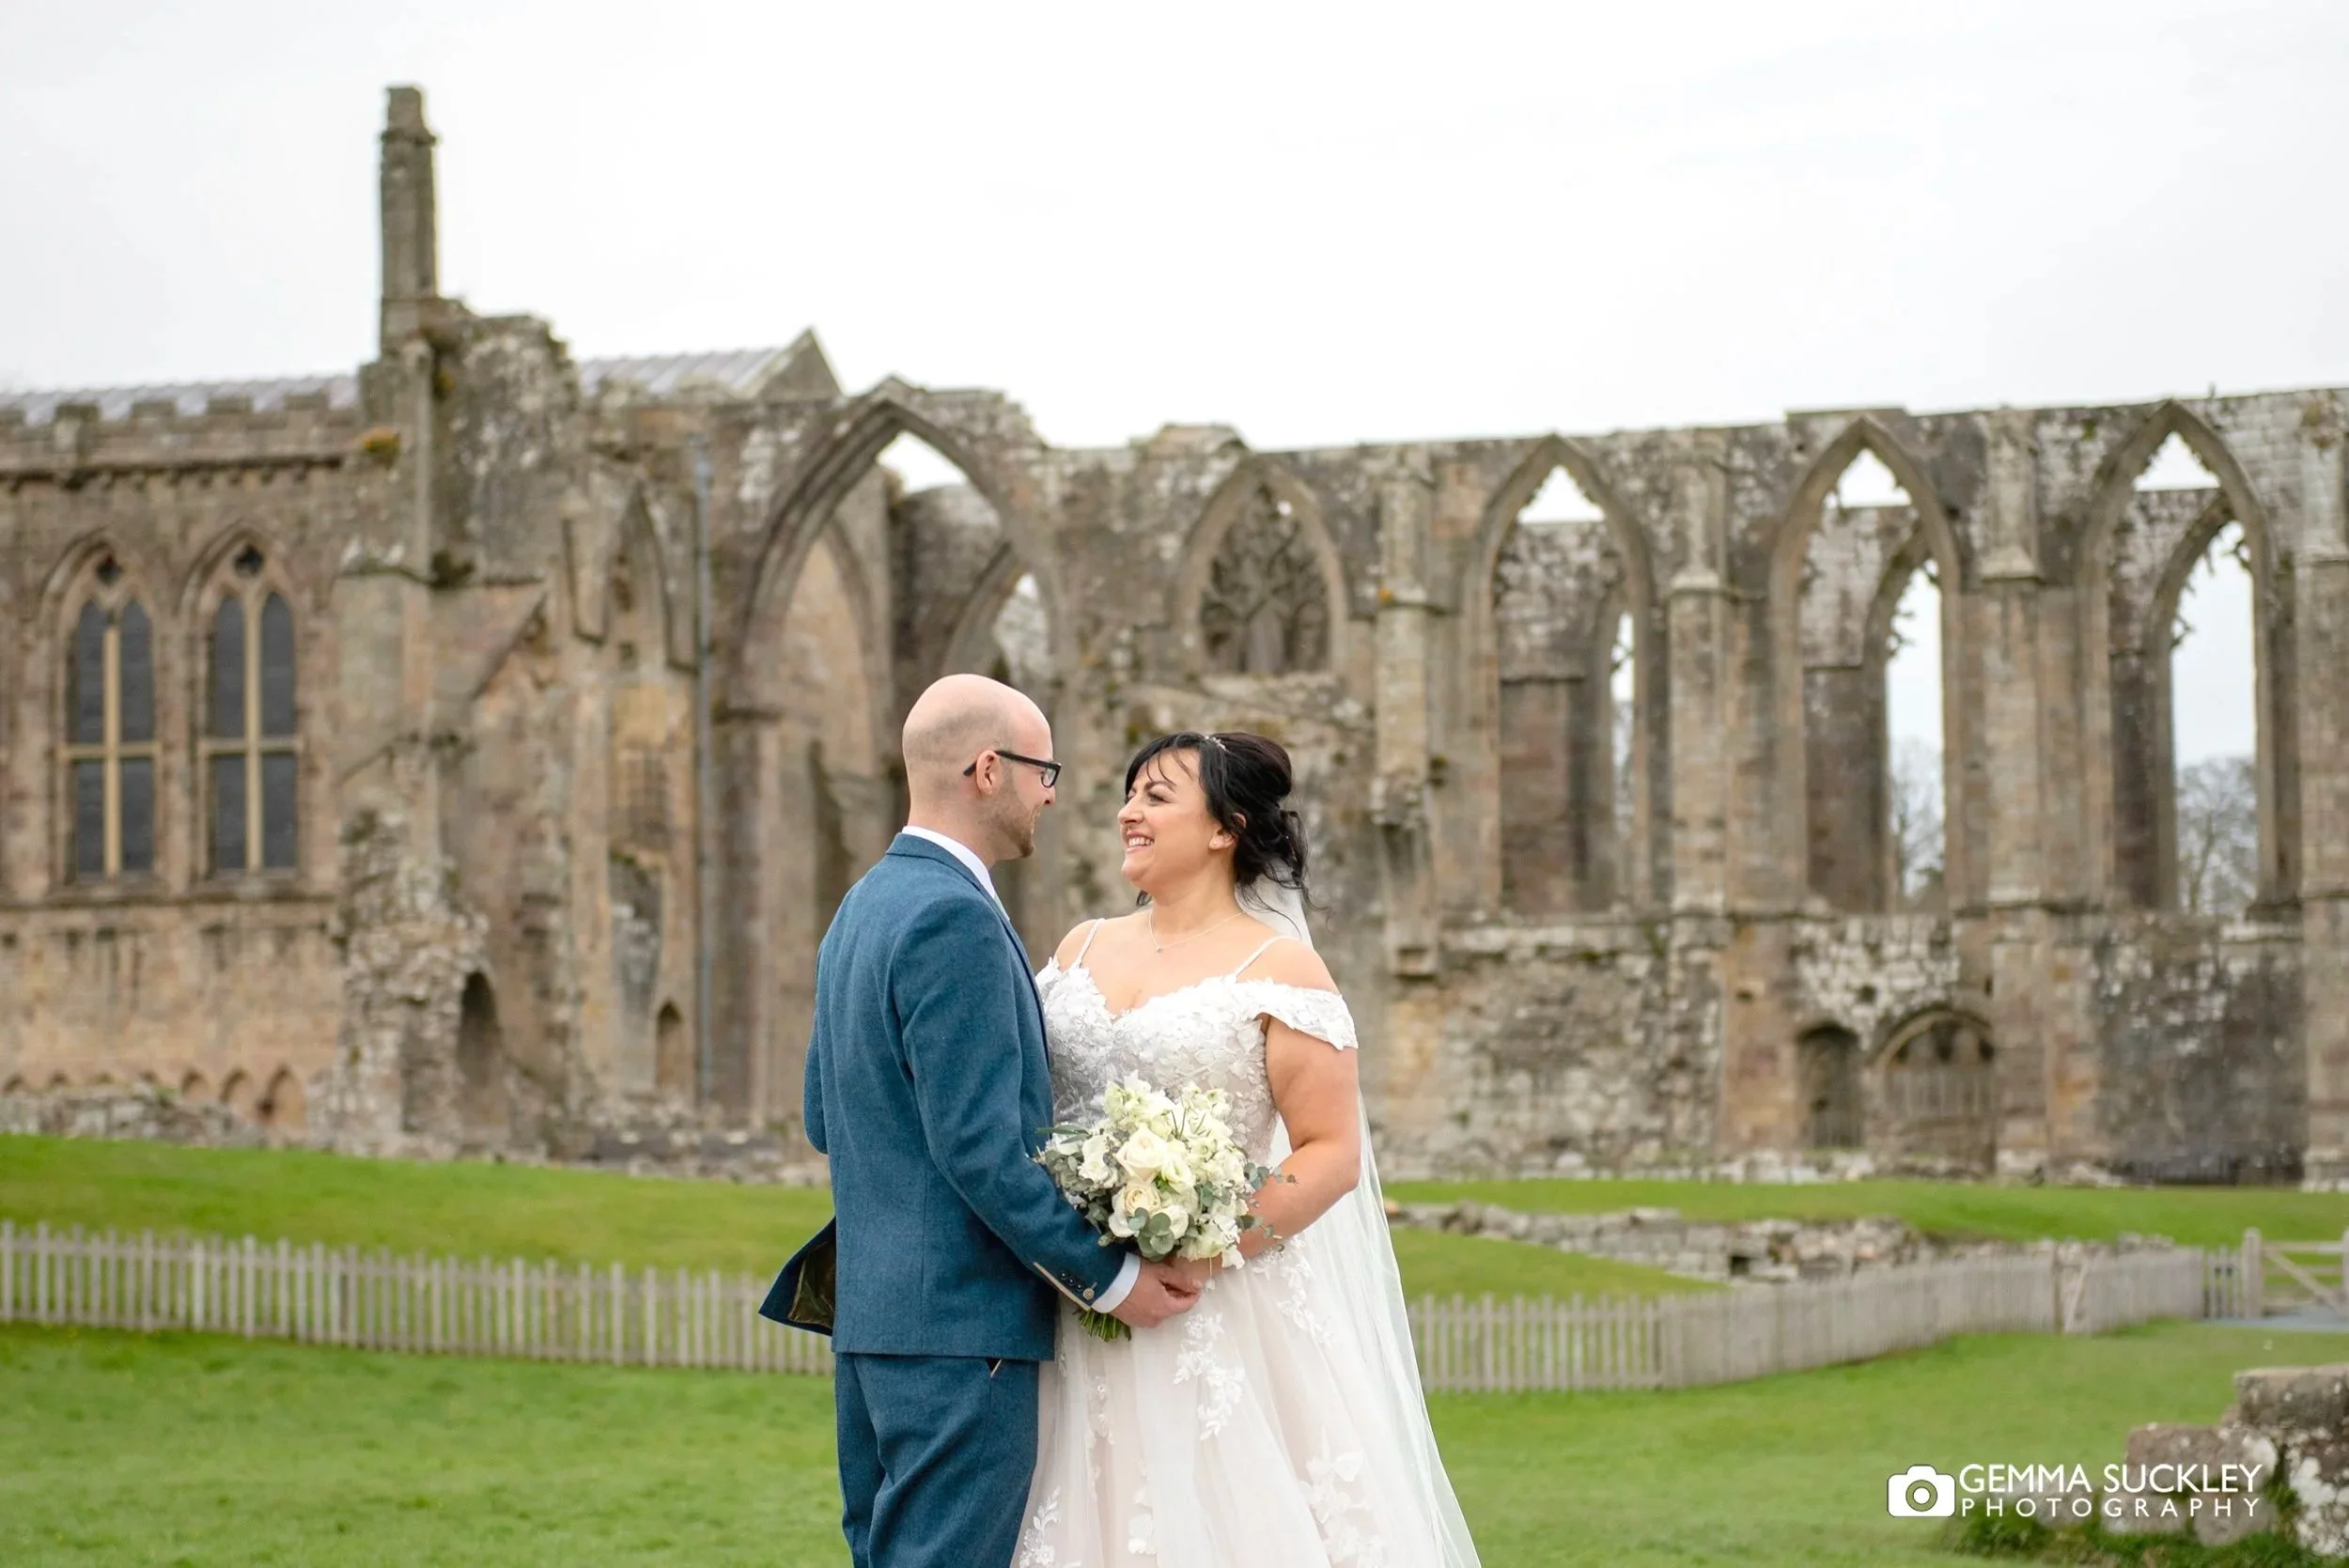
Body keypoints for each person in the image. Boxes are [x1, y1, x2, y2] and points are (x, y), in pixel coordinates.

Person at [1016, 730, 1483, 1566]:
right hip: (1073, 1300)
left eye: (1155, 798)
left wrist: (1205, 1247)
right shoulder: (1078, 948)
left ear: (1226, 827)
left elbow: (1331, 1150)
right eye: (1129, 796)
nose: (1128, 813)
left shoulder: (1282, 970)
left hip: (1214, 1314)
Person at [796, 675, 1202, 1568]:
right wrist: (1108, 1277)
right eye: (1041, 769)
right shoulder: (955, 917)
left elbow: (825, 1114)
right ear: (989, 770)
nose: (1051, 792)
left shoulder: (862, 906)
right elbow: (981, 1149)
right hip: (959, 1336)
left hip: (873, 1327)